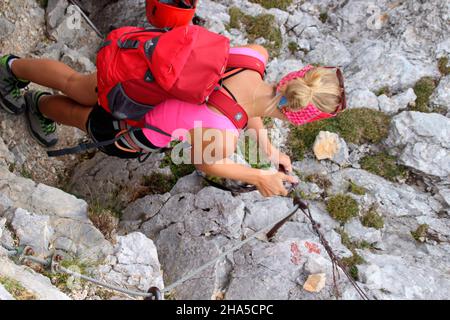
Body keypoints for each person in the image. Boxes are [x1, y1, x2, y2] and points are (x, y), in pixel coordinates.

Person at [0, 44, 345, 197]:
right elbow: (209, 165)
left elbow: (252, 104)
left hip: (135, 81)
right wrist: (259, 176)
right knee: (80, 116)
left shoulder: (253, 57)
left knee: (75, 83)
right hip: (131, 126)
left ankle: (10, 67)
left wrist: (267, 148)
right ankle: (39, 105)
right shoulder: (222, 134)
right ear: (296, 115)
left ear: (297, 78)